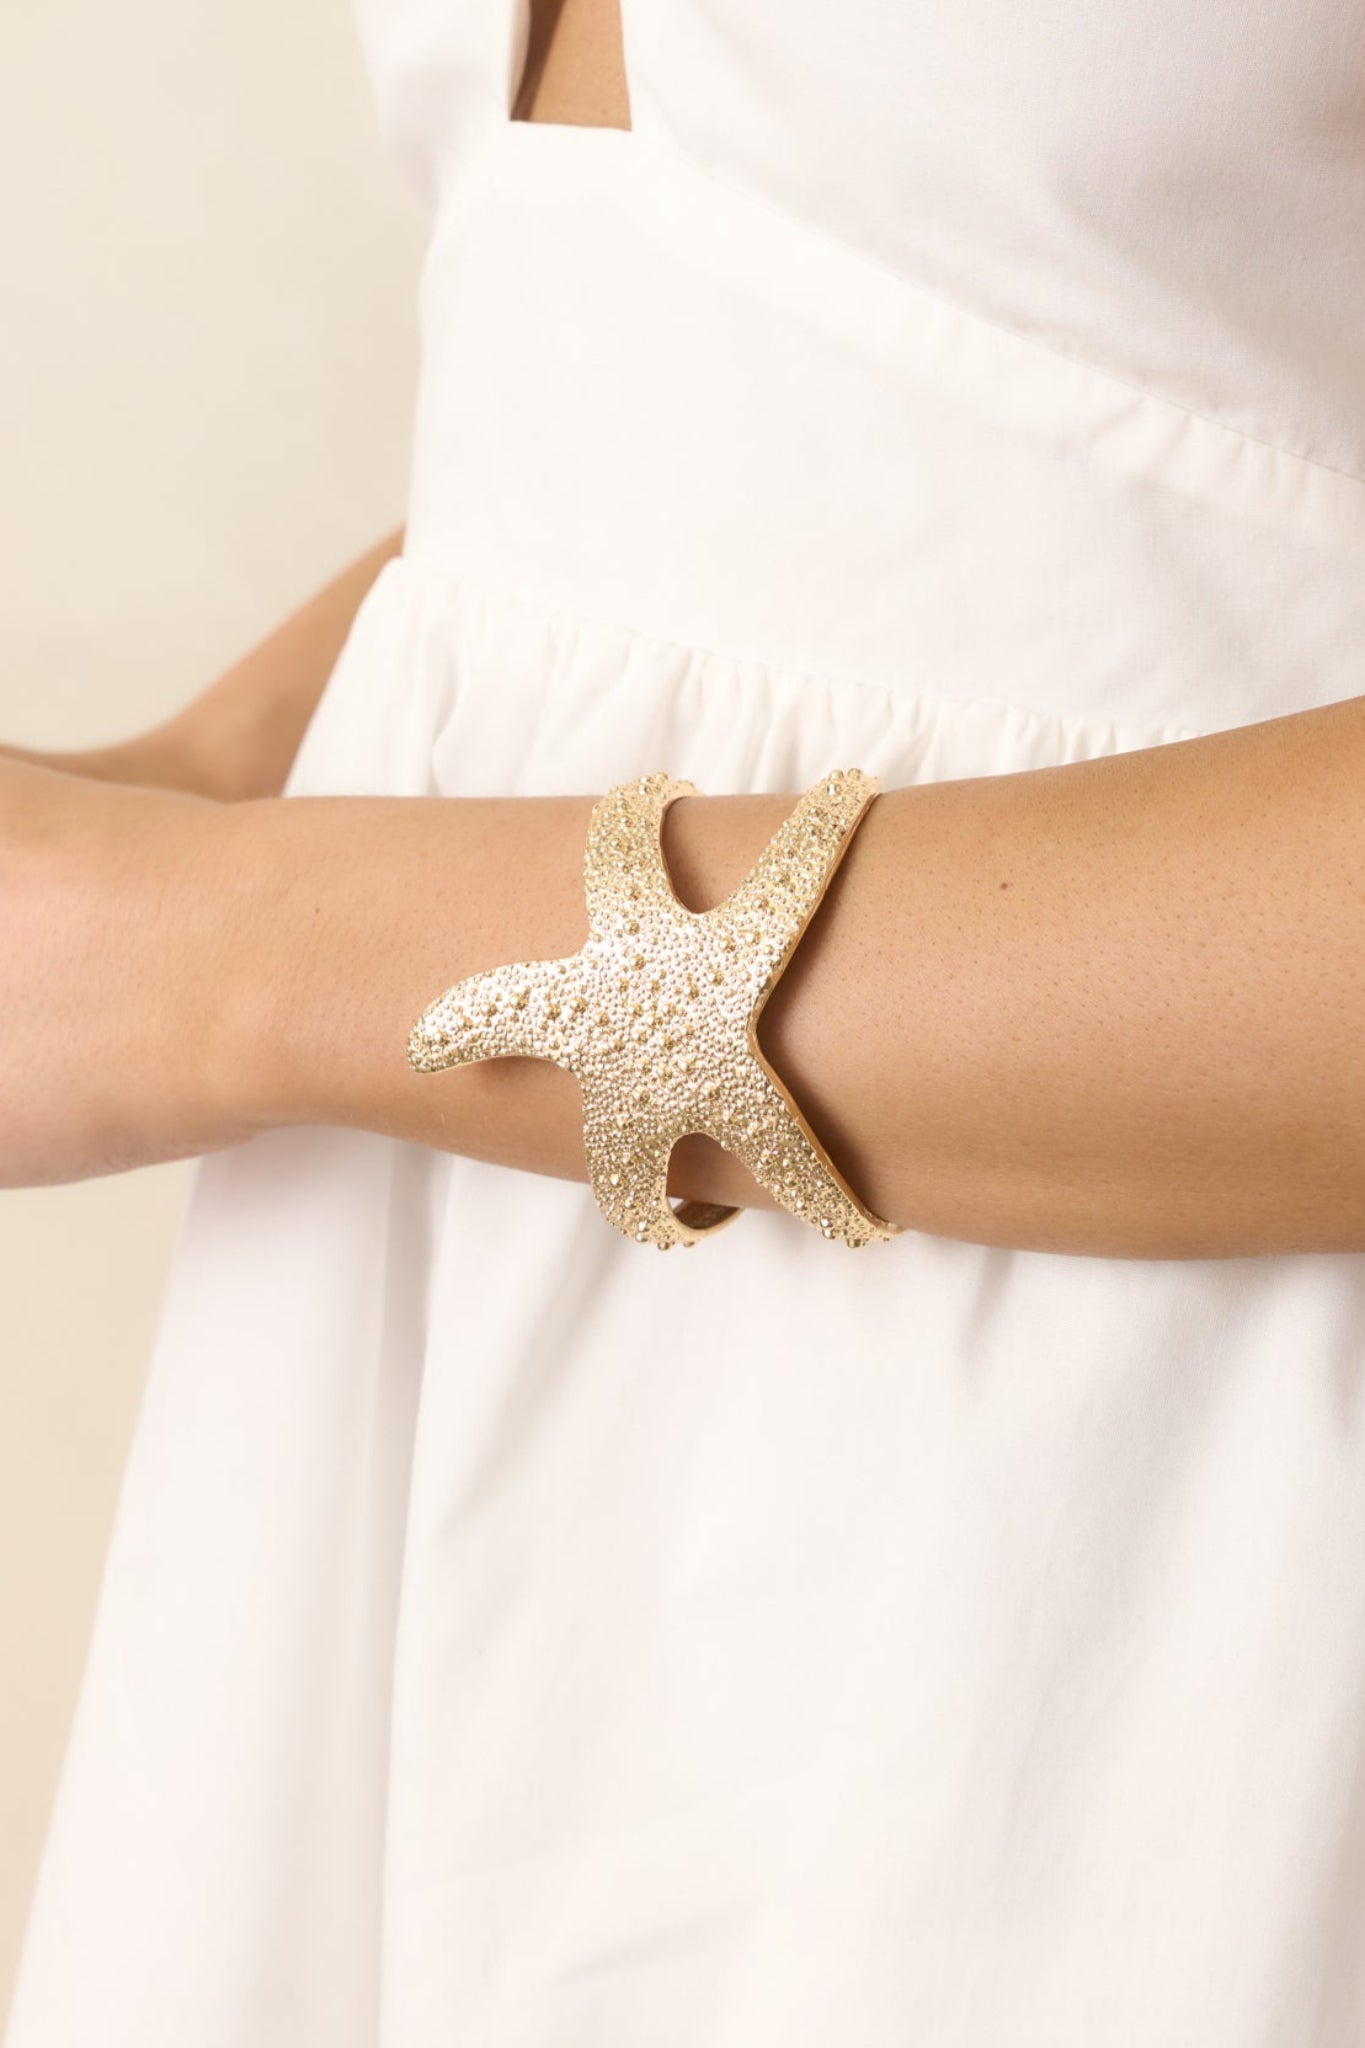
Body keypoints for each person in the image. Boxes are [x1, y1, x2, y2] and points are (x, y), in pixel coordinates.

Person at [6, 0, 1365, 2038]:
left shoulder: (236, 962)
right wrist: (187, 787)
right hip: (415, 1335)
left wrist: (211, 954)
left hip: (1145, 1450)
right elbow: (740, 380)